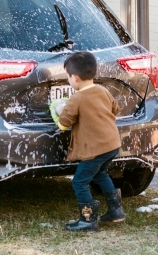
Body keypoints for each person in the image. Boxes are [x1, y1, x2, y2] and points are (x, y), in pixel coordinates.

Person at [52, 51, 125, 232]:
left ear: (74, 78)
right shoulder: (103, 90)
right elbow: (115, 109)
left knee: (79, 182)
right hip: (112, 145)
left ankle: (88, 220)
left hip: (95, 150)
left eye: (68, 77)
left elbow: (63, 125)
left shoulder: (76, 98)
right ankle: (116, 211)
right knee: (101, 174)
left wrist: (60, 109)